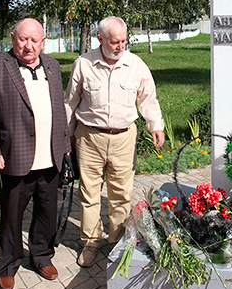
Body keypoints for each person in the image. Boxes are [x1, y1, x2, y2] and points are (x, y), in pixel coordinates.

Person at [64, 16, 164, 267]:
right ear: (100, 39)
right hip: (89, 137)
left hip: (123, 137)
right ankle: (90, 243)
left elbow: (148, 99)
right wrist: (65, 136)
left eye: (123, 41)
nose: (120, 46)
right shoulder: (83, 64)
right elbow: (70, 102)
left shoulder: (136, 65)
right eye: (114, 41)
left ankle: (116, 243)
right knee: (89, 193)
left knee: (121, 194)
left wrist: (155, 125)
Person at [0, 18, 70, 289]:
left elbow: (59, 109)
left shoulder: (52, 66)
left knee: (46, 212)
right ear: (12, 38)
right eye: (23, 39)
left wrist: (65, 147)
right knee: (10, 216)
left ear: (43, 42)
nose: (28, 45)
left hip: (50, 156)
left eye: (34, 40)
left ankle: (42, 256)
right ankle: (7, 265)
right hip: (15, 156)